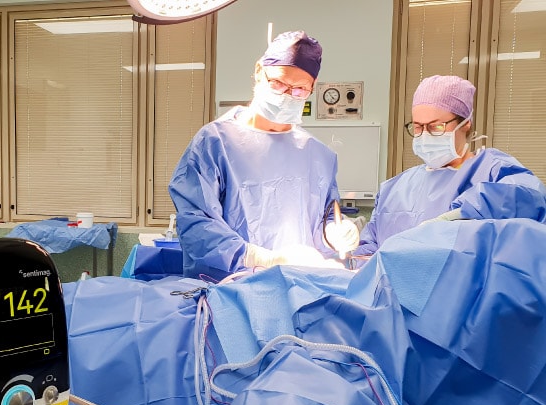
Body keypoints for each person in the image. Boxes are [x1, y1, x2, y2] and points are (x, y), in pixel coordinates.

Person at [168, 31, 358, 281]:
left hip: (300, 287)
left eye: (299, 89)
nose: (287, 95)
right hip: (232, 288)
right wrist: (260, 258)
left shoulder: (319, 155)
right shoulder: (215, 143)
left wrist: (335, 231)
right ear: (259, 71)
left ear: (312, 88)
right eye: (279, 83)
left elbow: (325, 214)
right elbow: (196, 224)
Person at [353, 75, 546, 259]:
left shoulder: (492, 170)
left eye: (436, 127)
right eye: (418, 127)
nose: (425, 135)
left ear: (465, 124)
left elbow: (528, 197)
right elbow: (369, 251)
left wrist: (463, 214)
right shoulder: (393, 189)